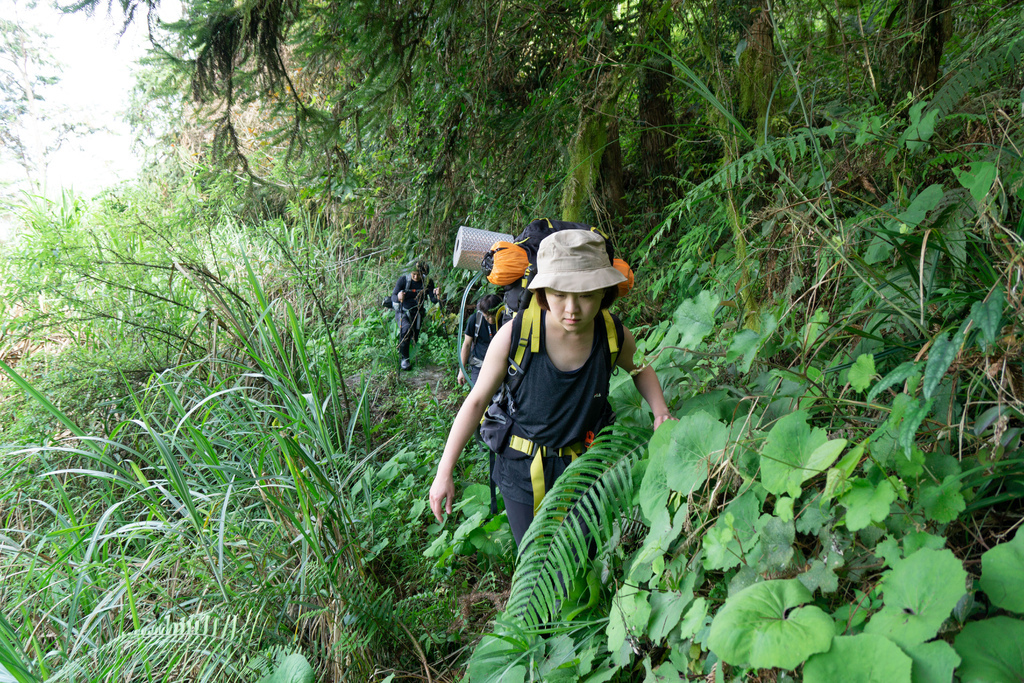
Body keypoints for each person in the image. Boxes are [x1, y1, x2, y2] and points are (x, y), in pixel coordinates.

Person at [429, 231, 673, 546]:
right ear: (542, 291)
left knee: (576, 558)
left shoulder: (613, 335)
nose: (572, 308)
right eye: (559, 294)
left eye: (585, 294)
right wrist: (444, 470)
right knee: (535, 562)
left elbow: (640, 368)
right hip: (521, 470)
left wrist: (661, 411)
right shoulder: (515, 336)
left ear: (604, 292)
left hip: (585, 469)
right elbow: (476, 401)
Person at [392, 261, 439, 370]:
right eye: (413, 274)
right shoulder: (403, 280)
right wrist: (398, 297)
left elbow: (433, 299)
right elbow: (393, 296)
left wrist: (437, 295)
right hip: (402, 311)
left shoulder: (427, 282)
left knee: (414, 336)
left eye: (418, 274)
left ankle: (405, 351)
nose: (416, 276)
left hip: (418, 313)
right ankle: (405, 359)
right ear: (410, 272)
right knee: (406, 330)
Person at [457, 294, 503, 387]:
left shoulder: (505, 320)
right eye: (487, 317)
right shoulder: (475, 319)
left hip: (499, 366)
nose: (490, 320)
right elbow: (466, 345)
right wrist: (462, 371)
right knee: (477, 397)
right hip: (479, 365)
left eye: (493, 316)